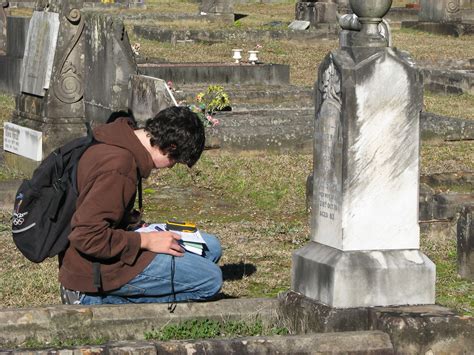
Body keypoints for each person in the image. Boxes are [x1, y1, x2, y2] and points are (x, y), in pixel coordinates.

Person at [59, 106, 223, 305]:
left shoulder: (122, 138)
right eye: (175, 161)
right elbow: (86, 236)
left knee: (210, 248)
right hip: (94, 271)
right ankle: (94, 300)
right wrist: (146, 241)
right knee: (210, 280)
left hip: (107, 253)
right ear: (170, 147)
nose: (171, 167)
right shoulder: (119, 166)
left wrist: (130, 223)